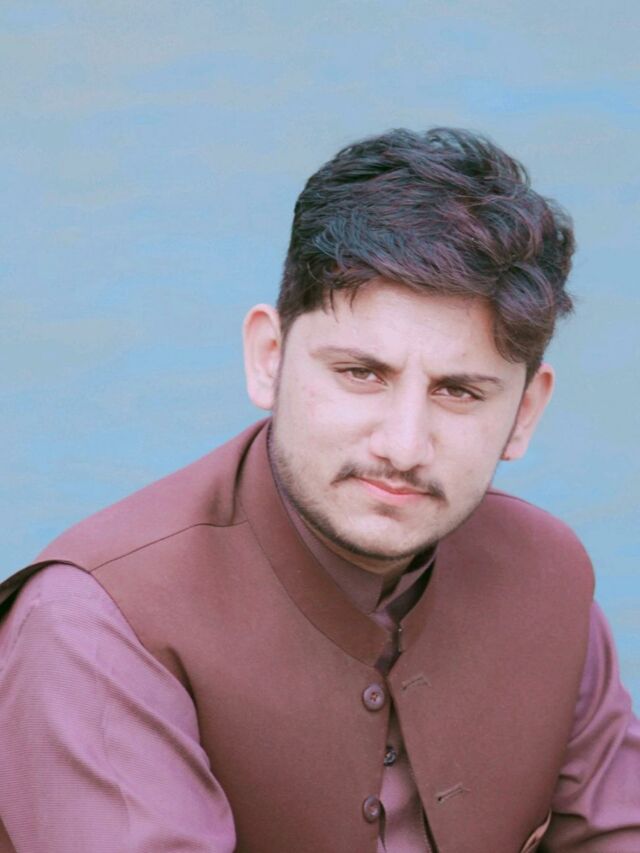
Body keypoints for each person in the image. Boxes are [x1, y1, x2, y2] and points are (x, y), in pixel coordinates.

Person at [0, 128, 638, 853]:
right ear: (268, 358)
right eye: (361, 373)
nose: (403, 445)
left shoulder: (548, 576)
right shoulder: (95, 623)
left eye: (458, 391)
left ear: (524, 413)